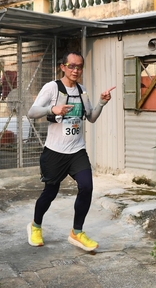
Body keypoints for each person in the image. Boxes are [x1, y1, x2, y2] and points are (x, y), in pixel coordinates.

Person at [26, 51, 115, 251]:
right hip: (55, 151)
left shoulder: (82, 91)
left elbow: (91, 117)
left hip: (77, 150)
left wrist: (102, 102)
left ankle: (77, 232)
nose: (75, 70)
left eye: (79, 66)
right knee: (50, 192)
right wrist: (51, 109)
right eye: (71, 66)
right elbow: (31, 112)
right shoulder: (52, 87)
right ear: (63, 67)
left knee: (86, 187)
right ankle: (35, 225)